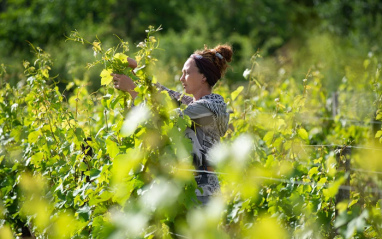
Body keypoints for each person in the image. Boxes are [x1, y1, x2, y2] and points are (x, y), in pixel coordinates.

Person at [111, 44, 232, 205]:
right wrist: (140, 72)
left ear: (203, 77)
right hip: (189, 192)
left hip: (201, 196)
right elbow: (169, 95)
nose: (181, 78)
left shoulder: (206, 108)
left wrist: (133, 91)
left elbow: (163, 124)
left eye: (187, 73)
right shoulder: (198, 104)